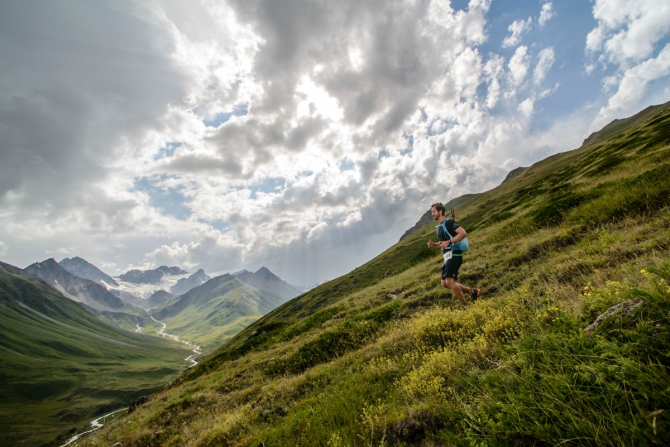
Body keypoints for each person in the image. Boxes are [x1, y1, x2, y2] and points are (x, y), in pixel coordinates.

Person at [427, 202, 480, 306]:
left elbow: (463, 233)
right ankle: (472, 291)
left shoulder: (448, 222)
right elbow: (444, 244)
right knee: (445, 284)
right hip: (447, 256)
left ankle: (466, 306)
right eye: (431, 212)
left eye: (434, 211)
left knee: (450, 282)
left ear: (440, 211)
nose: (432, 214)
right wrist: (435, 245)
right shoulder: (440, 226)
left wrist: (449, 242)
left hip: (454, 254)